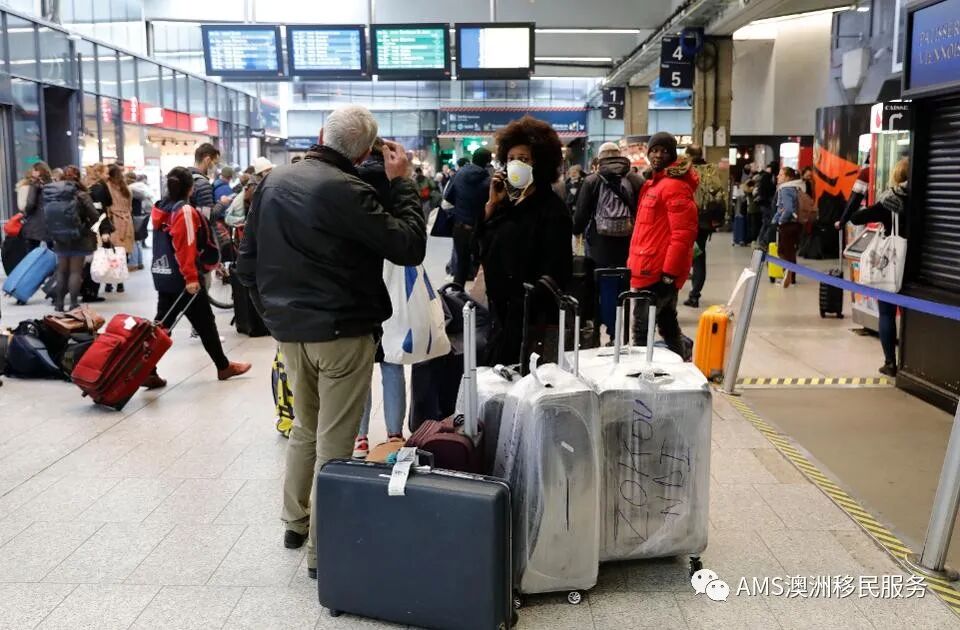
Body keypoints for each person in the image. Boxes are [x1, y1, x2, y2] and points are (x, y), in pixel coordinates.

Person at [234, 105, 426, 577]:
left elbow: (246, 263)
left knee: (305, 426)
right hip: (342, 331)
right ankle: (324, 552)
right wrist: (403, 184)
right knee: (335, 444)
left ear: (321, 134)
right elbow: (408, 245)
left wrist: (275, 318)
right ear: (363, 153)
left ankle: (295, 521)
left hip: (291, 332)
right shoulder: (351, 190)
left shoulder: (274, 181)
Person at [143, 166, 250, 391]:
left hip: (165, 274)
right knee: (197, 323)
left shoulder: (161, 208)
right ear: (190, 188)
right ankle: (222, 367)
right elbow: (186, 245)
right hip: (184, 280)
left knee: (167, 324)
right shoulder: (184, 211)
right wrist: (191, 278)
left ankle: (146, 370)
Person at [477, 115, 573, 366]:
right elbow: (480, 249)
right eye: (510, 159)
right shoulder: (506, 204)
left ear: (539, 163)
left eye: (523, 159)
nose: (515, 164)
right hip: (499, 313)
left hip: (530, 319)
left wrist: (524, 302)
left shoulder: (553, 209)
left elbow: (557, 269)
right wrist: (491, 206)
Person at [353, 138, 408, 459]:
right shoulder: (395, 183)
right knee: (392, 361)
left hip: (360, 282)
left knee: (360, 364)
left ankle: (360, 438)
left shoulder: (349, 182)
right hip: (394, 279)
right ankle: (394, 435)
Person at [627, 131, 699, 357]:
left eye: (664, 151)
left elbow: (683, 234)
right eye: (654, 150)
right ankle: (681, 359)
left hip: (658, 271)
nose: (658, 155)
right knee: (667, 323)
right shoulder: (653, 184)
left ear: (672, 155)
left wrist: (669, 274)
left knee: (641, 330)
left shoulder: (674, 186)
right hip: (648, 266)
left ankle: (642, 371)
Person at [850, 157, 909, 377]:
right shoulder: (925, 197)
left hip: (893, 264)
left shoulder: (891, 200)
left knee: (887, 313)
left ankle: (890, 362)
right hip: (916, 267)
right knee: (912, 314)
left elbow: (857, 217)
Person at [573, 141, 643, 269]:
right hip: (627, 241)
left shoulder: (592, 180)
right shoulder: (636, 180)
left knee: (597, 274)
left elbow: (581, 214)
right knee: (625, 274)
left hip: (598, 243)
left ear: (599, 158)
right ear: (620, 156)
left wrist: (577, 231)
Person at [47, 166, 100, 311]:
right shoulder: (81, 194)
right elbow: (94, 215)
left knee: (62, 271)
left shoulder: (54, 193)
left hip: (59, 237)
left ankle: (59, 303)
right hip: (79, 237)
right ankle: (73, 303)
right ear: (78, 177)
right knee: (75, 271)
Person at [684, 144, 726, 308]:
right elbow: (720, 195)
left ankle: (672, 291)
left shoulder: (686, 171)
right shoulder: (712, 171)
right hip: (705, 221)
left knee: (681, 253)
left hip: (687, 220)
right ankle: (695, 295)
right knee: (699, 257)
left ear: (688, 155)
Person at [443, 147, 492, 286]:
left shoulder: (459, 174)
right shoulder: (488, 179)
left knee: (461, 264)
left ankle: (457, 292)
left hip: (459, 225)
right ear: (487, 162)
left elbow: (448, 197)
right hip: (479, 228)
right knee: (484, 263)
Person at [103, 164, 135, 293]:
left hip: (113, 222)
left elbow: (106, 206)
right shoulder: (126, 189)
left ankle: (108, 283)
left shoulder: (107, 187)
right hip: (127, 223)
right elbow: (130, 207)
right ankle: (120, 283)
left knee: (110, 253)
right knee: (123, 254)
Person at [772, 167, 805, 289]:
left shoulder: (785, 189)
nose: (778, 177)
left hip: (788, 224)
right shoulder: (796, 187)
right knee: (788, 251)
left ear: (788, 177)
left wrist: (780, 221)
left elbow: (788, 209)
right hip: (795, 224)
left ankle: (789, 277)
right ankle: (789, 276)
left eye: (781, 175)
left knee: (784, 251)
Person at [21, 161, 53, 250]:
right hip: (51, 224)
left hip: (35, 226)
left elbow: (30, 204)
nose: (32, 172)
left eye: (34, 170)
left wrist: (26, 213)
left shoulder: (34, 185)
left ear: (39, 171)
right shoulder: (53, 184)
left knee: (32, 254)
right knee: (52, 252)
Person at [189, 142, 220, 215]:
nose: (215, 167)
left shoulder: (186, 177)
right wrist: (222, 203)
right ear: (208, 160)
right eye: (215, 163)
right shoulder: (203, 184)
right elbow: (208, 217)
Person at [755, 160, 779, 249]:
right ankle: (763, 241)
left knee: (766, 223)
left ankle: (761, 241)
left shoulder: (767, 176)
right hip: (766, 203)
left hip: (765, 203)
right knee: (767, 223)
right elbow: (766, 190)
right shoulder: (767, 177)